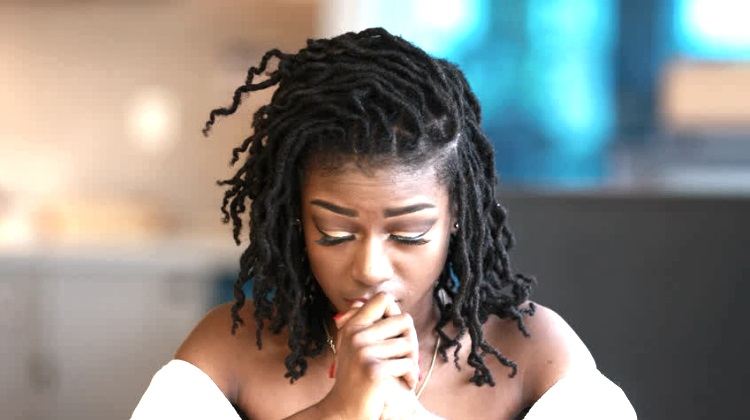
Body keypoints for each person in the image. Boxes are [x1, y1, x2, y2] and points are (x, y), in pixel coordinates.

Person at [131, 27, 636, 419]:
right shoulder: (233, 349)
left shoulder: (528, 351)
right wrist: (338, 411)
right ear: (295, 219)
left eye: (408, 234)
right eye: (336, 233)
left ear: (457, 216)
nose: (370, 269)